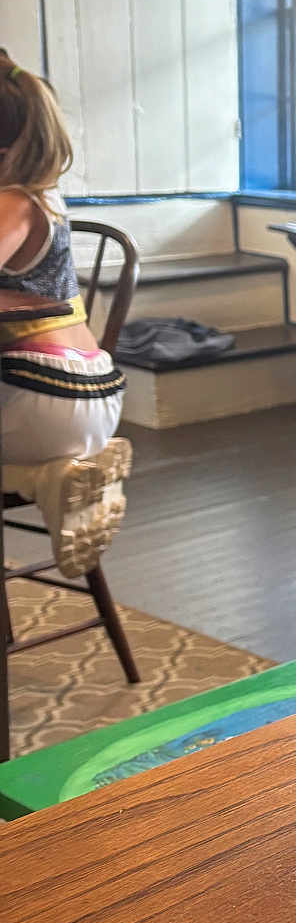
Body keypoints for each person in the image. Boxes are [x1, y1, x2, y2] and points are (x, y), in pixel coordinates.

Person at [0, 52, 129, 578]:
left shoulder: (12, 203)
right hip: (87, 392)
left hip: (42, 398)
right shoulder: (43, 197)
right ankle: (47, 478)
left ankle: (44, 477)